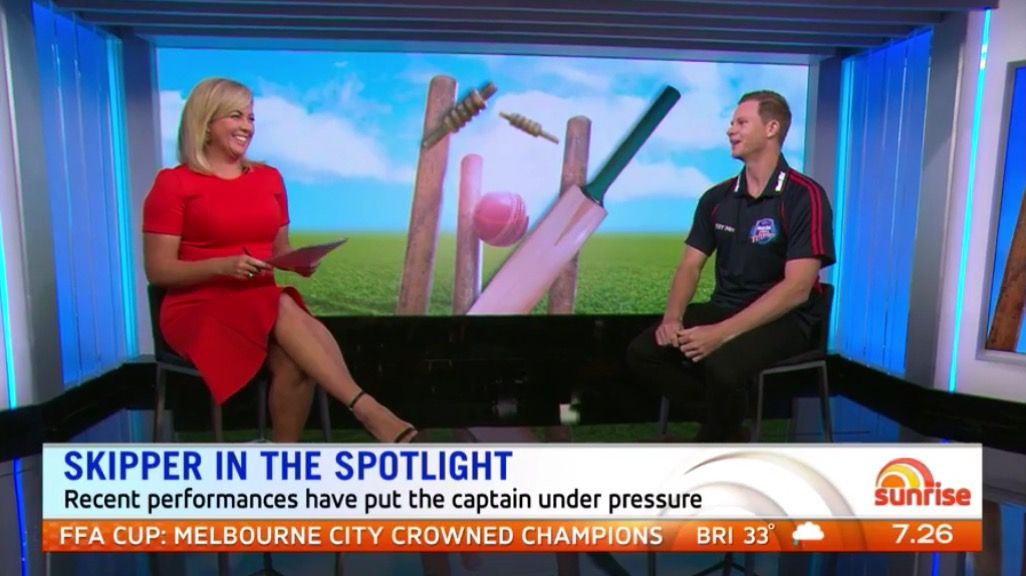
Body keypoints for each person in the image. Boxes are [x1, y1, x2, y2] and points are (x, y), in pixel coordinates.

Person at [142, 77, 417, 443]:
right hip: (200, 308)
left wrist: (299, 262)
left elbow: (278, 251)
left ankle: (283, 460)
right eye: (235, 116)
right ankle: (367, 409)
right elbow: (159, 270)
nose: (247, 126)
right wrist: (222, 266)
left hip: (261, 305)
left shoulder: (269, 179)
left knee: (294, 358)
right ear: (205, 123)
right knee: (282, 304)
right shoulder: (173, 184)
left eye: (251, 117)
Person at [626, 90, 835, 442]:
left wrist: (720, 334)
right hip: (725, 306)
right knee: (644, 353)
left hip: (786, 319)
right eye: (731, 122)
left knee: (723, 364)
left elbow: (797, 288)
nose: (730, 130)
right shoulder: (716, 198)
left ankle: (714, 440)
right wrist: (673, 318)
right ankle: (726, 422)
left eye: (741, 122)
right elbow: (690, 266)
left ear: (771, 128)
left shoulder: (804, 196)